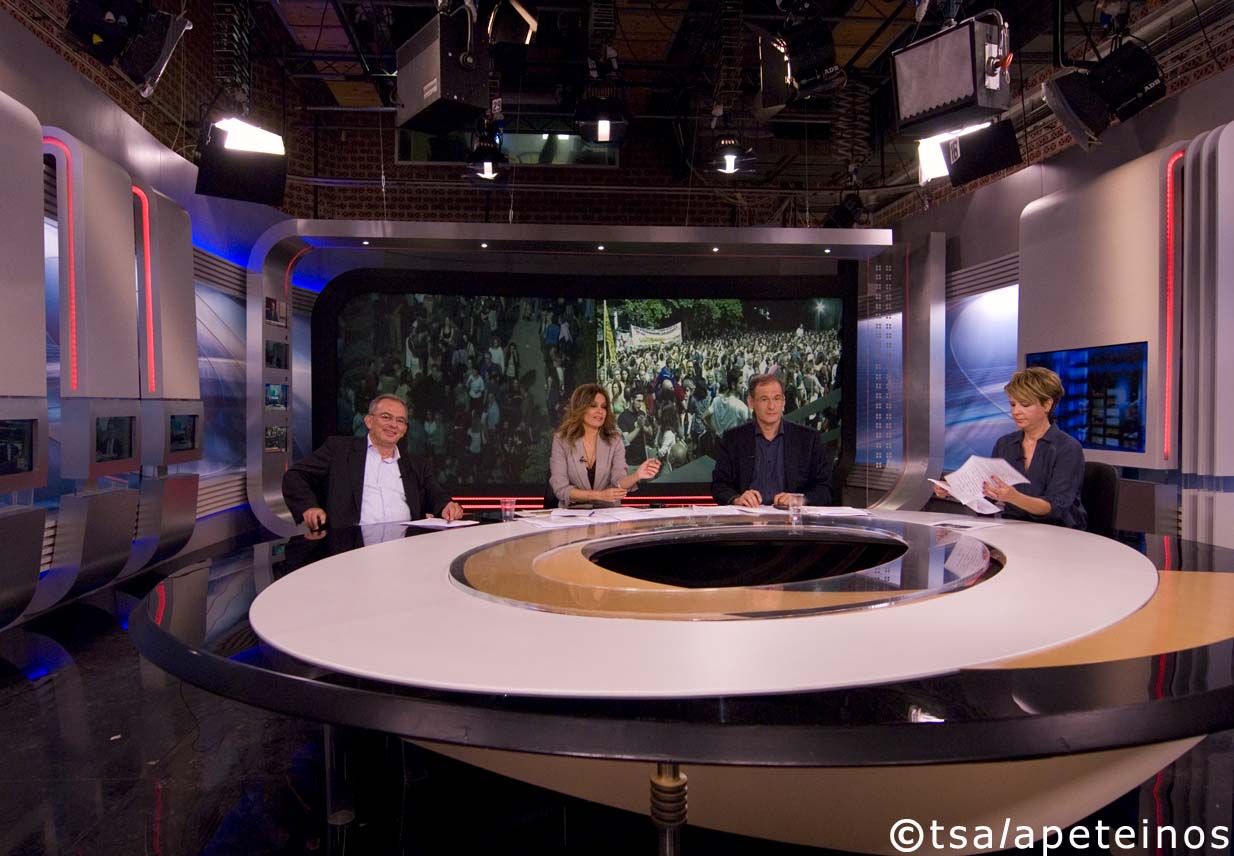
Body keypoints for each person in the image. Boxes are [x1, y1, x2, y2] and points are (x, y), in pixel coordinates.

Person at [282, 393, 464, 530]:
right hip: (349, 549)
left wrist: (447, 506)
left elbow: (436, 495)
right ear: (369, 421)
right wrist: (308, 507)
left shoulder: (417, 464)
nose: (393, 425)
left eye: (400, 421)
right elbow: (295, 477)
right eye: (386, 417)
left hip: (405, 549)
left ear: (404, 430)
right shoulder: (339, 450)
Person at [934, 366, 1087, 529]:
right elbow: (988, 496)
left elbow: (1055, 508)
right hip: (1013, 528)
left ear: (1047, 405)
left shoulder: (1068, 448)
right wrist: (954, 490)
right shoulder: (1005, 444)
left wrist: (1014, 497)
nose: (1016, 411)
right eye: (1013, 404)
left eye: (1025, 404)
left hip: (1057, 532)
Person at [711, 374, 835, 507]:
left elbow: (825, 488)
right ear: (751, 402)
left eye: (777, 398)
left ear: (783, 402)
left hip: (792, 517)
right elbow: (719, 485)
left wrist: (800, 500)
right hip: (748, 516)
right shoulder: (733, 438)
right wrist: (737, 499)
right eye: (764, 399)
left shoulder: (808, 439)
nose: (771, 406)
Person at [549, 384, 661, 507]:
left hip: (608, 513)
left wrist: (637, 475)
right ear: (580, 408)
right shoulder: (562, 440)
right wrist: (599, 495)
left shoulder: (615, 440)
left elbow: (618, 481)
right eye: (593, 406)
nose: (600, 411)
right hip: (572, 514)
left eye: (604, 407)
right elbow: (561, 489)